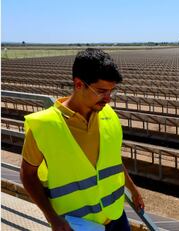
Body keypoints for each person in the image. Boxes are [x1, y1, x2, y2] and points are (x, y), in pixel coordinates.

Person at [20, 48, 144, 231]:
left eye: (112, 91)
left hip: (116, 215)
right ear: (79, 84)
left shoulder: (108, 115)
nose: (108, 99)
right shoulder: (44, 125)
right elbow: (27, 175)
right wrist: (53, 219)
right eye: (101, 91)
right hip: (77, 224)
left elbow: (112, 160)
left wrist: (133, 190)